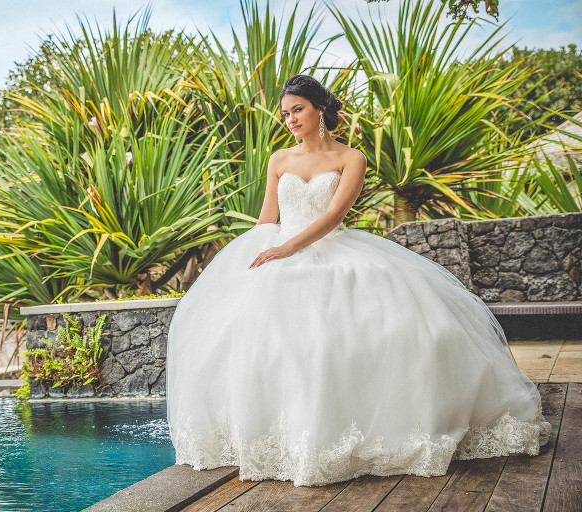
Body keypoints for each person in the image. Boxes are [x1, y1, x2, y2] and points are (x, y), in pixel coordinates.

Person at [165, 74, 551, 486]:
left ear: (319, 109)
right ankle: (277, 439)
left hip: (332, 250)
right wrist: (250, 256)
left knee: (393, 335)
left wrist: (290, 248)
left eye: (297, 110)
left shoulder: (351, 158)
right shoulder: (279, 159)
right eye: (285, 113)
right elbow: (266, 219)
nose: (290, 119)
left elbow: (333, 216)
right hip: (281, 251)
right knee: (263, 343)